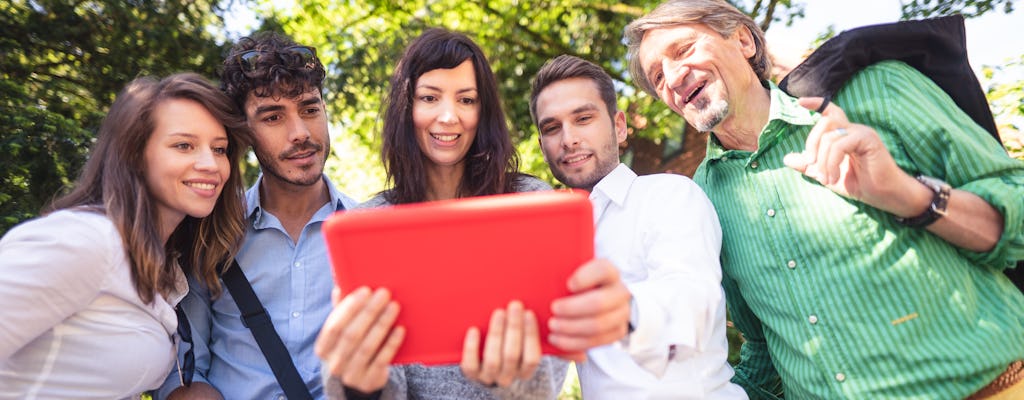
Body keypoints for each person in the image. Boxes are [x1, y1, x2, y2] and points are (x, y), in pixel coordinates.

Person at [625, 0, 1024, 398]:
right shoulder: (703, 198)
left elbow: (1017, 216)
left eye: (684, 50)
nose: (674, 78)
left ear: (744, 40)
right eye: (658, 77)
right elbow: (764, 348)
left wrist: (906, 195)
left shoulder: (876, 91)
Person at [315, 28, 632, 399]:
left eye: (466, 100)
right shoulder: (371, 225)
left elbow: (550, 363)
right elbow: (376, 371)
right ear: (406, 107)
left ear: (483, 112)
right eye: (430, 97)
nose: (449, 116)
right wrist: (360, 383)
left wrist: (510, 376)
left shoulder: (528, 203)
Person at [0, 72, 249, 399]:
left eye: (220, 149)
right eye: (183, 145)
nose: (211, 164)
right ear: (135, 154)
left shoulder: (164, 268)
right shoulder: (87, 240)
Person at [528, 54, 748, 399]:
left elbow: (694, 301)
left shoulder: (669, 195)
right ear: (542, 147)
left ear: (618, 126)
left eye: (583, 118)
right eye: (552, 128)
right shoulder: (551, 240)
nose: (568, 139)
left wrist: (625, 309)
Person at [159, 32, 358, 399]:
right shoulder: (209, 234)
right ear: (245, 133)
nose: (300, 133)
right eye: (273, 117)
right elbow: (183, 372)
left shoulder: (368, 233)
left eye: (310, 109)